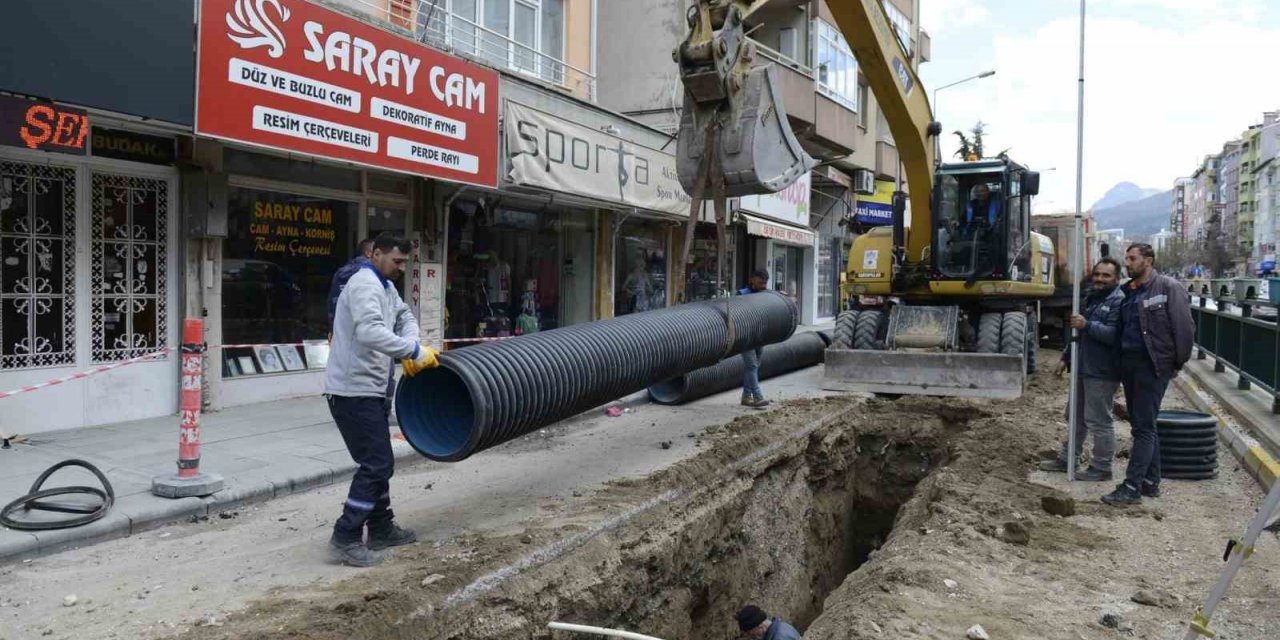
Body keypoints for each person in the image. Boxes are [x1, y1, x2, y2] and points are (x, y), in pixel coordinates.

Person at [324, 234, 439, 566]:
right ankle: (345, 536)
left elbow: (405, 318)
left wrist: (411, 343)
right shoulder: (364, 285)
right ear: (375, 254)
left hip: (372, 388)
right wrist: (414, 351)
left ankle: (381, 527)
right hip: (351, 391)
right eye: (396, 261)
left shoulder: (386, 287)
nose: (401, 268)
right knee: (376, 464)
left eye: (405, 262)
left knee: (379, 461)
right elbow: (370, 331)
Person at [1102, 243, 1195, 506]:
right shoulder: (1128, 291)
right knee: (1144, 424)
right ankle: (1150, 482)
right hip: (1130, 366)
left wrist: (1177, 362)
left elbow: (1185, 328)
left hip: (1152, 366)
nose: (1128, 263)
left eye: (1132, 259)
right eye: (1127, 258)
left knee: (1142, 428)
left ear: (1148, 260)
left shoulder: (1167, 287)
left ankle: (1131, 486)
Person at [1039, 257, 1124, 481]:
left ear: (1116, 278)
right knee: (1075, 415)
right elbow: (1078, 335)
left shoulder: (1119, 302)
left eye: (1106, 276)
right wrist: (1066, 357)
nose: (1100, 279)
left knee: (1098, 419)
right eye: (1097, 274)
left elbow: (1115, 336)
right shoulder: (1089, 298)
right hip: (1082, 366)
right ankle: (1068, 458)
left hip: (1102, 371)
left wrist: (1088, 325)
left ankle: (1101, 467)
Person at [328, 238, 398, 416]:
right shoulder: (370, 279)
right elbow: (375, 323)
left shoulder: (340, 274)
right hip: (373, 339)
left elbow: (333, 303)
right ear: (372, 253)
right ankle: (384, 411)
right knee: (384, 374)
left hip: (345, 335)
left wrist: (333, 329)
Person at [738, 269, 772, 409]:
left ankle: (746, 397)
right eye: (760, 283)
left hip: (759, 337)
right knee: (752, 366)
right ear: (752, 280)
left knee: (753, 367)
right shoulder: (741, 295)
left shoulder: (765, 295)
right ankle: (758, 397)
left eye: (765, 283)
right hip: (746, 337)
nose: (763, 286)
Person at [734, 605, 801, 640]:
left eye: (750, 633)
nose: (751, 637)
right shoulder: (782, 626)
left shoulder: (779, 637)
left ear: (760, 627)